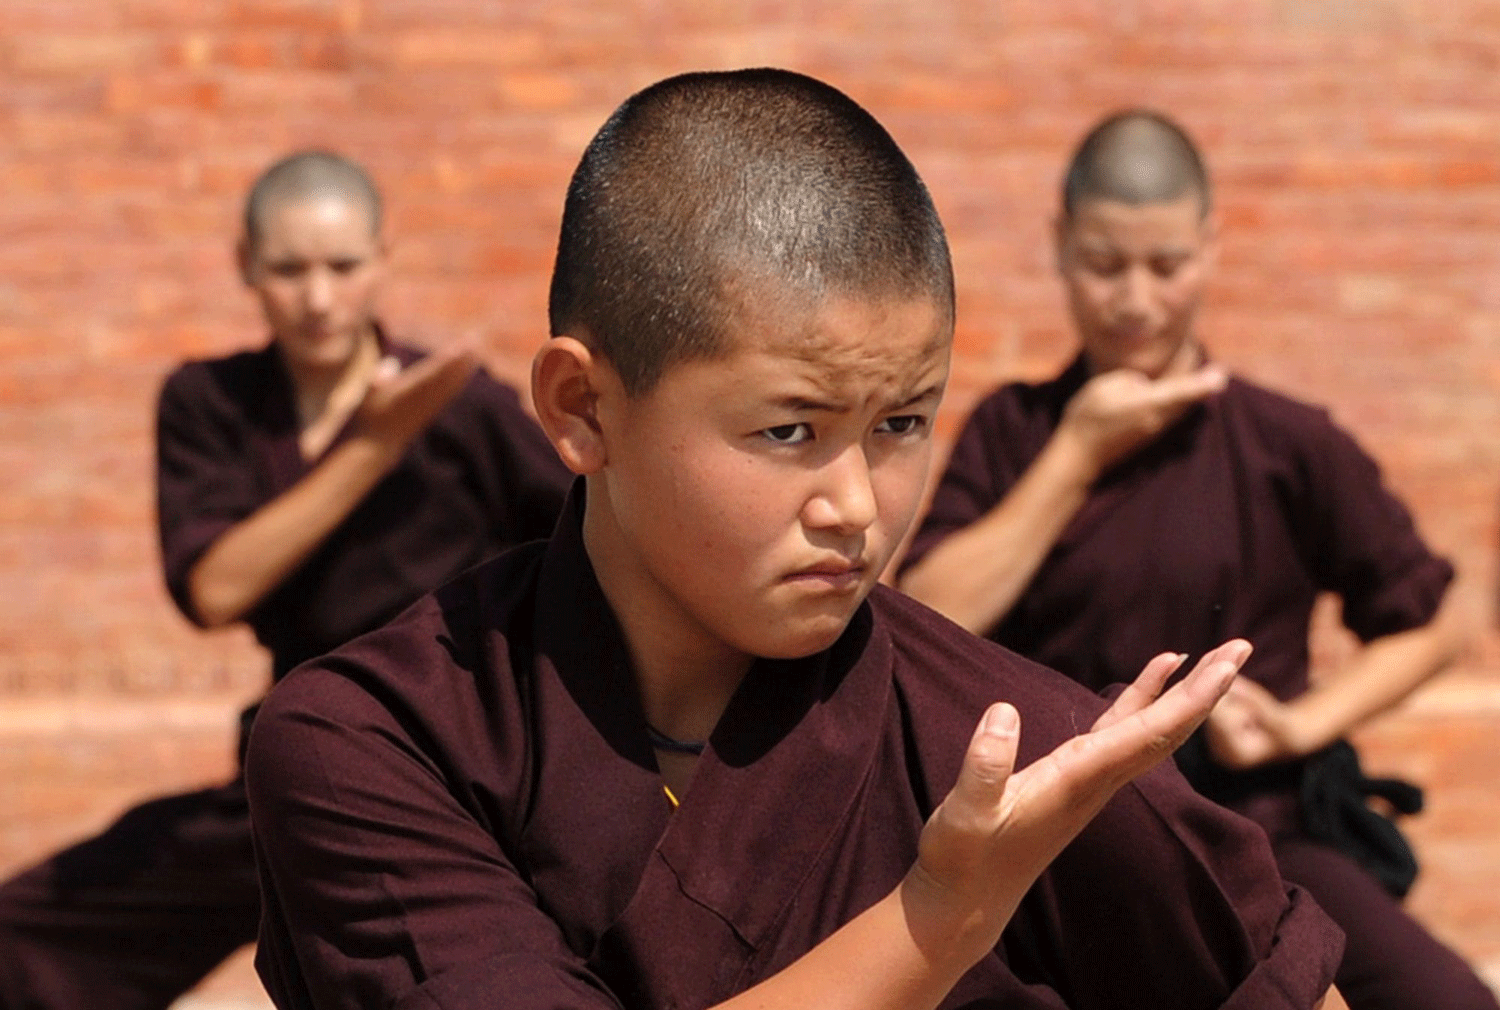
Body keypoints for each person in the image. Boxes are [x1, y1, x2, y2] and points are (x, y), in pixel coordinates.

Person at [245, 71, 1347, 1010]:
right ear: (583, 407)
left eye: (902, 423)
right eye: (789, 430)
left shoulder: (1026, 767)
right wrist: (940, 915)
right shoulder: (378, 739)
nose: (859, 507)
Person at [900, 110, 1496, 1010]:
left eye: (1166, 266)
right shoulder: (1015, 435)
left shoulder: (1283, 442)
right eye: (1105, 266)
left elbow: (1434, 624)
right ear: (1060, 249)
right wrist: (1074, 457)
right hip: (1060, 858)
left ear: (1210, 249)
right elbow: (930, 610)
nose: (1136, 299)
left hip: (1260, 838)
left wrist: (1306, 724)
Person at [0, 151, 572, 1009]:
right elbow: (216, 589)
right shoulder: (213, 402)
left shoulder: (460, 407)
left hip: (457, 760)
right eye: (288, 269)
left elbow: (588, 538)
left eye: (342, 267)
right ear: (246, 268)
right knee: (26, 930)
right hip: (291, 760)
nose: (318, 297)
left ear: (383, 261)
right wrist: (372, 445)